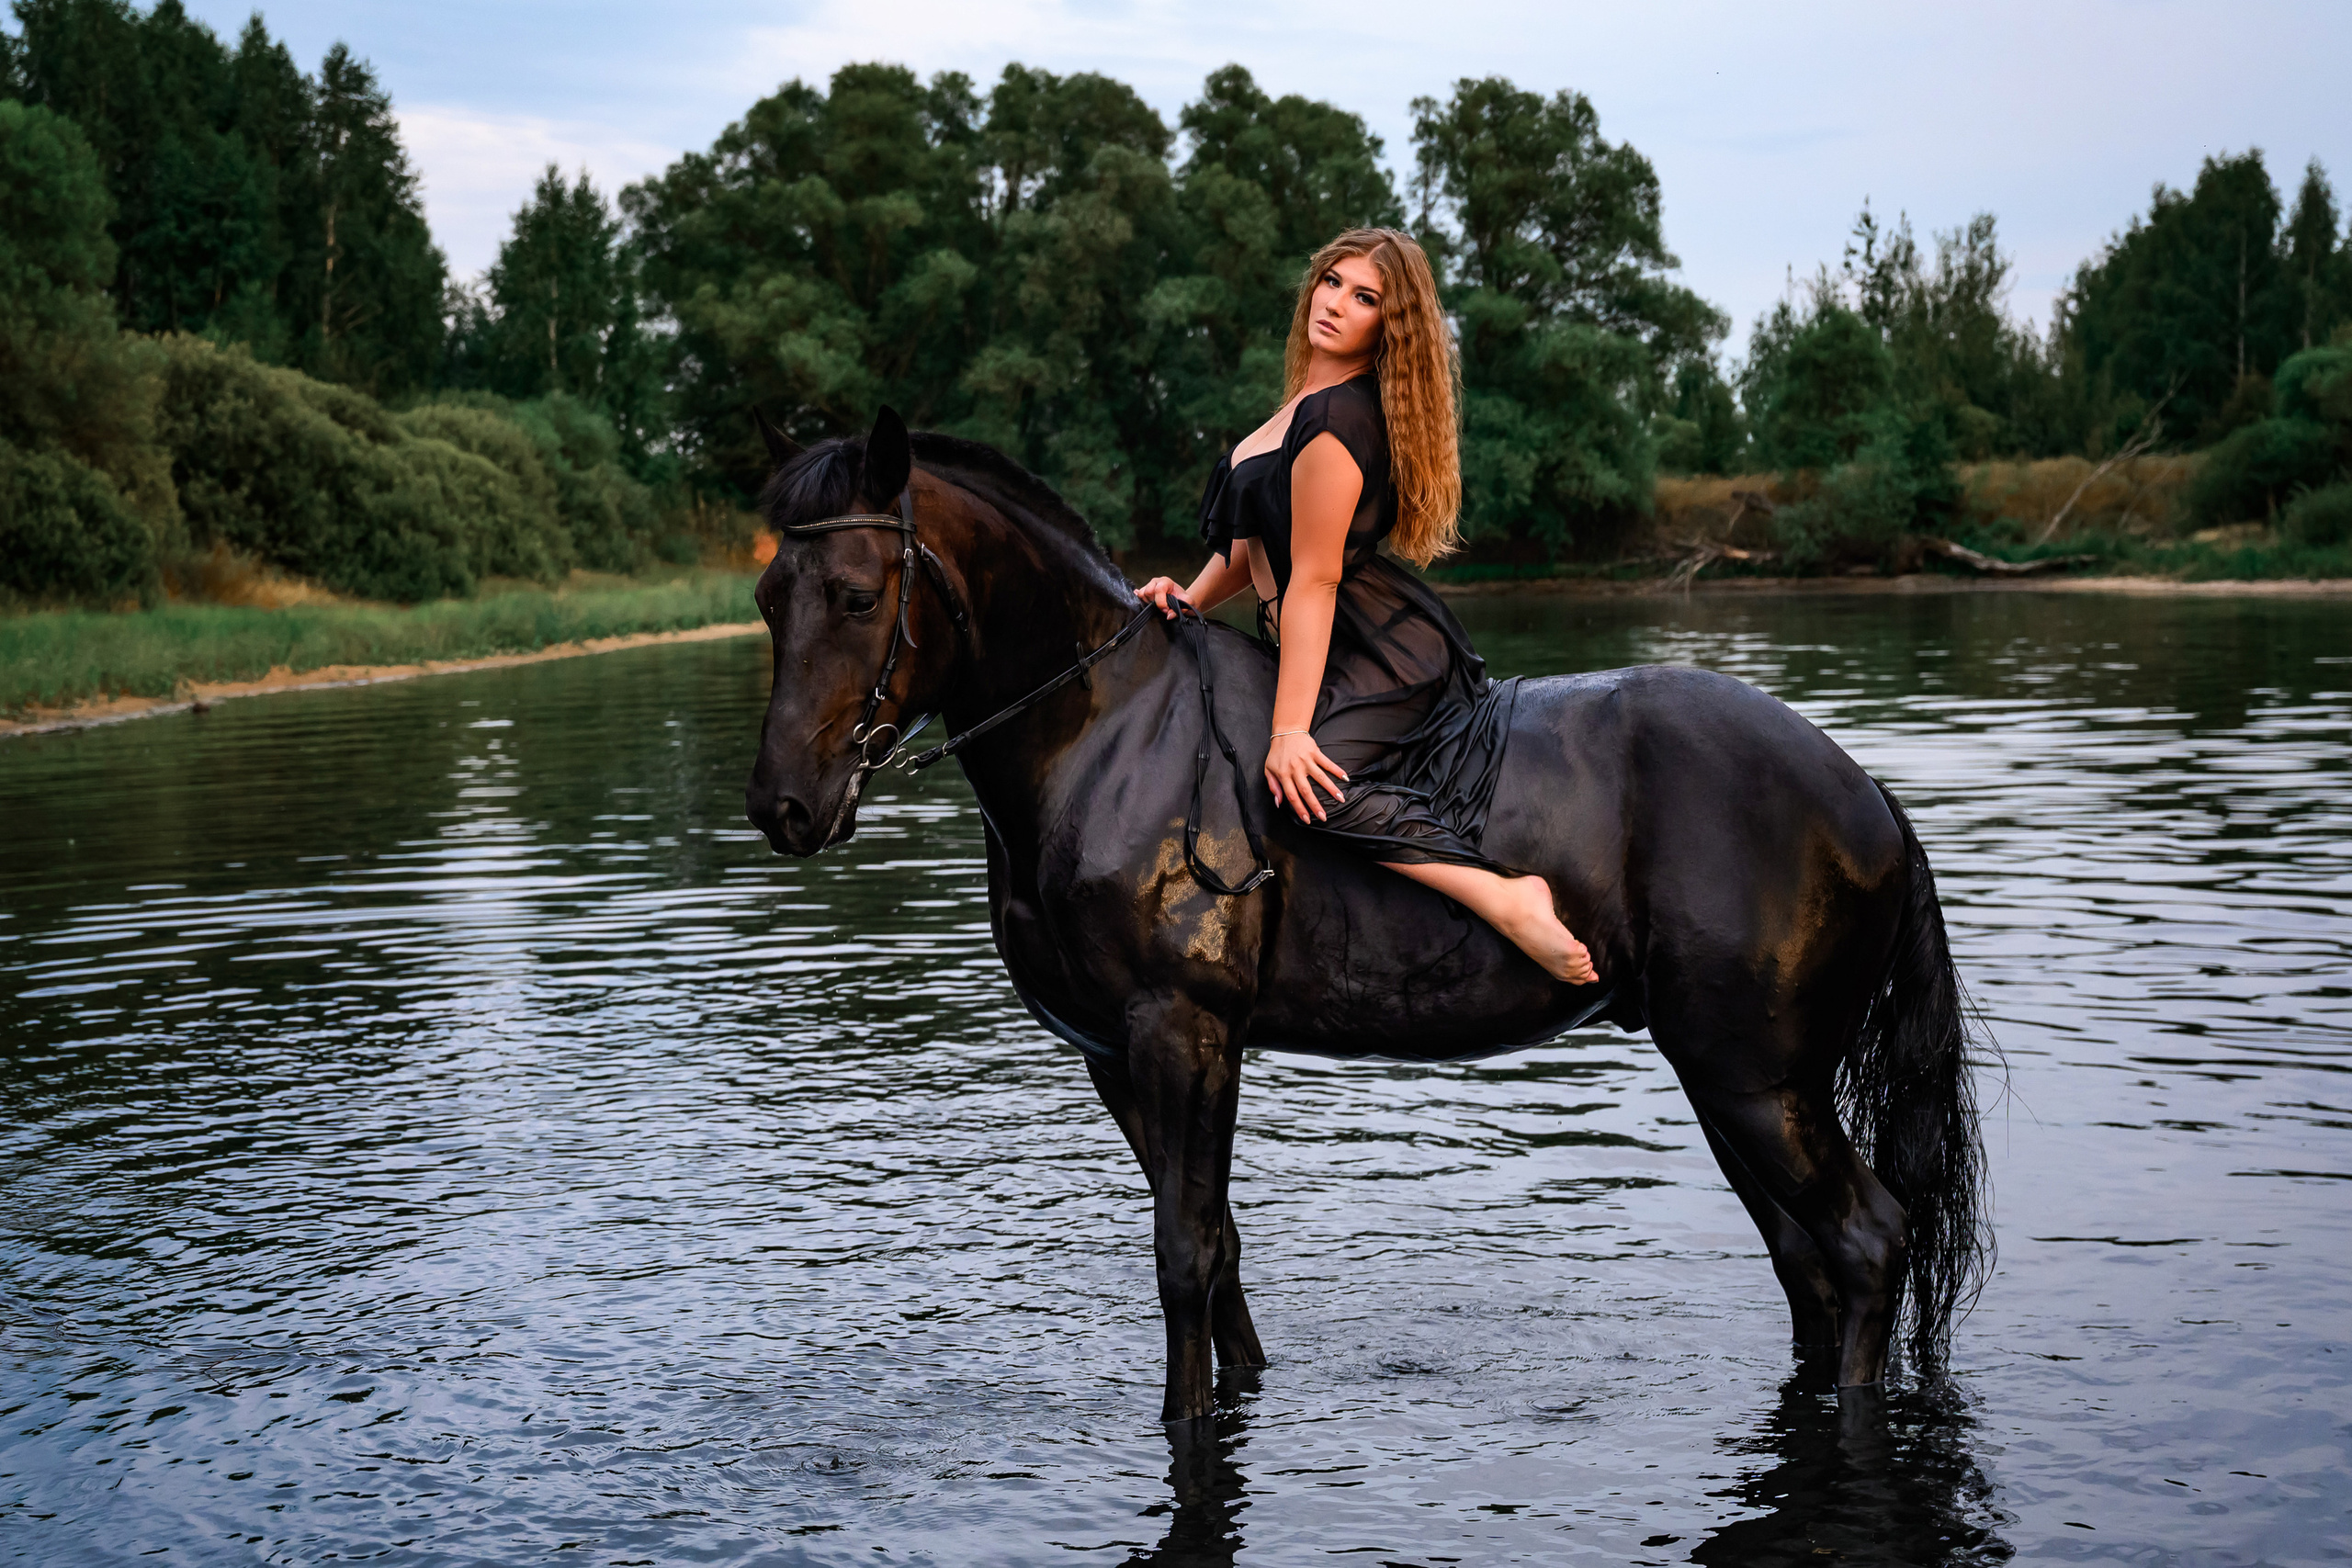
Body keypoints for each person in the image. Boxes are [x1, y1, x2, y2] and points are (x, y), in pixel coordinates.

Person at [1135, 228, 1598, 986]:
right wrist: (1186, 597)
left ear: (1388, 325)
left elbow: (1313, 580)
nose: (1336, 303)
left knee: (1304, 792)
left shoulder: (1339, 423)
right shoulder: (1298, 409)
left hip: (1379, 650)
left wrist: (1289, 730)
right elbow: (1251, 546)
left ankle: (1507, 898)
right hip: (1330, 640)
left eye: (1365, 297)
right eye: (1331, 282)